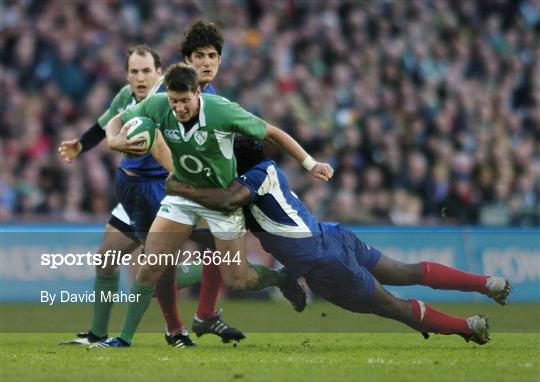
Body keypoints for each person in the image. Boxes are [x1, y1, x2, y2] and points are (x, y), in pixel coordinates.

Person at [163, 137, 513, 345]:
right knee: (405, 272)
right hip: (333, 235)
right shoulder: (267, 171)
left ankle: (467, 327)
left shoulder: (249, 182)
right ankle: (487, 284)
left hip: (325, 263)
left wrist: (181, 187)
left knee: (393, 307)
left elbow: (227, 203)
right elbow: (220, 225)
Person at [91, 63, 332, 348]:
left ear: (197, 93)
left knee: (239, 279)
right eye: (174, 100)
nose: (179, 108)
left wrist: (310, 163)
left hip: (219, 201)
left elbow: (272, 133)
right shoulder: (157, 105)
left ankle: (281, 279)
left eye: (185, 101)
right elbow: (117, 119)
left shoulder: (221, 110)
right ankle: (123, 339)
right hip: (181, 196)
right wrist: (115, 140)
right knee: (151, 267)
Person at [58, 39, 242, 348]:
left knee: (159, 268)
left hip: (157, 188)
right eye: (134, 71)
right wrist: (80, 146)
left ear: (160, 72)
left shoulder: (169, 98)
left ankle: (174, 329)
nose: (140, 77)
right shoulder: (125, 96)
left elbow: (176, 136)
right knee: (106, 259)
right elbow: (104, 126)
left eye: (146, 71)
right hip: (128, 188)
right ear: (127, 74)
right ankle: (97, 333)